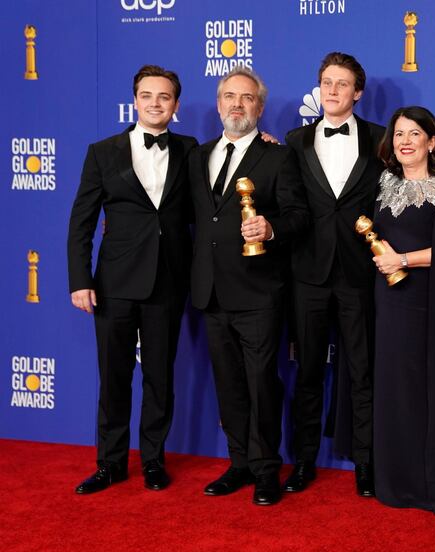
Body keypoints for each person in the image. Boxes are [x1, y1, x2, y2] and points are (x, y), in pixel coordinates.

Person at [68, 65, 197, 494]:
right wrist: (79, 279)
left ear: (175, 105)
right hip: (114, 284)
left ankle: (154, 462)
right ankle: (110, 464)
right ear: (135, 100)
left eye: (164, 97)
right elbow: (81, 223)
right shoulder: (103, 152)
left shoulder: (190, 149)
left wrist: (266, 141)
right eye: (147, 95)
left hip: (167, 282)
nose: (155, 103)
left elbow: (230, 166)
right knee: (114, 377)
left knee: (160, 378)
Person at [187, 66, 307, 506]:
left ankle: (266, 469)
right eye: (229, 96)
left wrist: (270, 228)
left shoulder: (278, 155)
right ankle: (238, 463)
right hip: (211, 291)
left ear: (260, 106)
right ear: (218, 104)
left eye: (247, 98)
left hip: (258, 291)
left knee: (261, 383)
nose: (237, 104)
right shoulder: (196, 156)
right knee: (229, 384)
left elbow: (299, 216)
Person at [282, 52, 385, 497]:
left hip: (360, 273)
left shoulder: (382, 140)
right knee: (306, 372)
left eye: (343, 84)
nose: (333, 90)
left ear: (357, 93)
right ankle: (302, 462)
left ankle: (365, 463)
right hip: (307, 273)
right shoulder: (293, 141)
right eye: (327, 82)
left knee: (362, 372)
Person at [371, 106, 435, 514]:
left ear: (432, 142)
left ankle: (429, 484)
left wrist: (403, 261)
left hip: (430, 305)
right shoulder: (384, 183)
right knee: (395, 389)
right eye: (399, 134)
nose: (406, 141)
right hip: (390, 304)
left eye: (415, 134)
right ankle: (396, 480)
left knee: (425, 388)